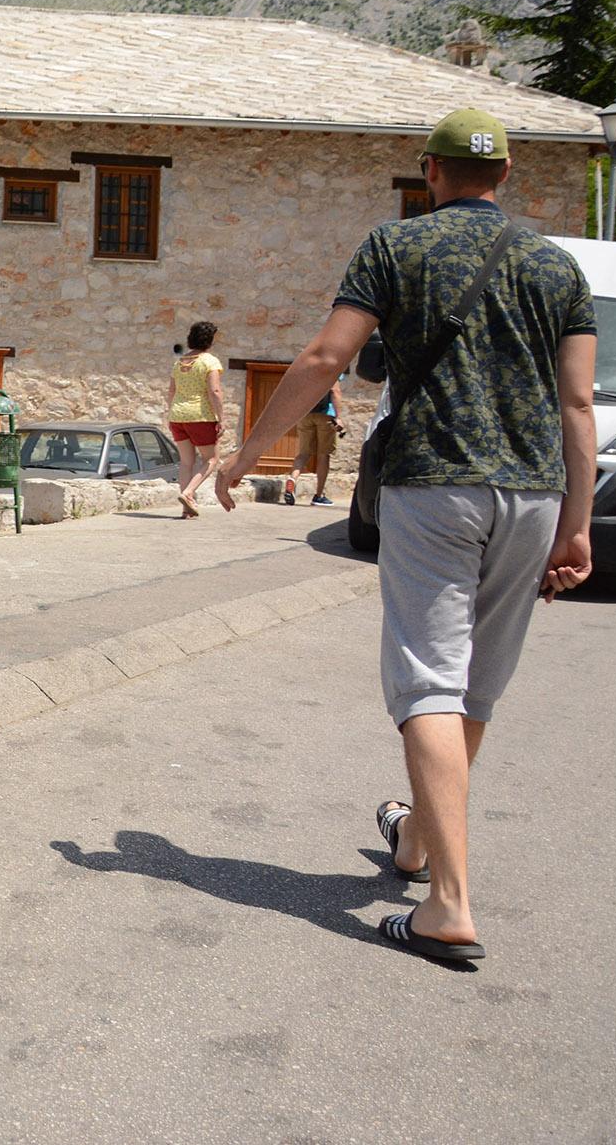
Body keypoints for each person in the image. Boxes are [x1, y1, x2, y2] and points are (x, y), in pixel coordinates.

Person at [219, 108, 596, 966]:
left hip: (434, 485)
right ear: (505, 177)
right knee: (476, 689)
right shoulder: (556, 263)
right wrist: (575, 524)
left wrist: (246, 454)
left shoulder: (395, 248)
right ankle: (417, 848)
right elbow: (577, 405)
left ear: (430, 171)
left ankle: (448, 906)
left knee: (429, 681)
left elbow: (323, 360)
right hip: (534, 493)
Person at [167, 322, 227, 519]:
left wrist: (172, 412)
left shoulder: (179, 362)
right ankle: (189, 493)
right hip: (200, 416)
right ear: (209, 340)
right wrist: (221, 417)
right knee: (211, 459)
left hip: (177, 416)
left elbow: (171, 391)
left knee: (186, 462)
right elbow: (215, 391)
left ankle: (187, 509)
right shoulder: (209, 362)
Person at [286, 372, 349, 506]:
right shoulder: (334, 368)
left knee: (303, 453)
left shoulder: (307, 370)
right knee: (323, 454)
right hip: (325, 416)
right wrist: (338, 417)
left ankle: (293, 479)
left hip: (305, 415)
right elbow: (335, 391)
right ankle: (319, 495)